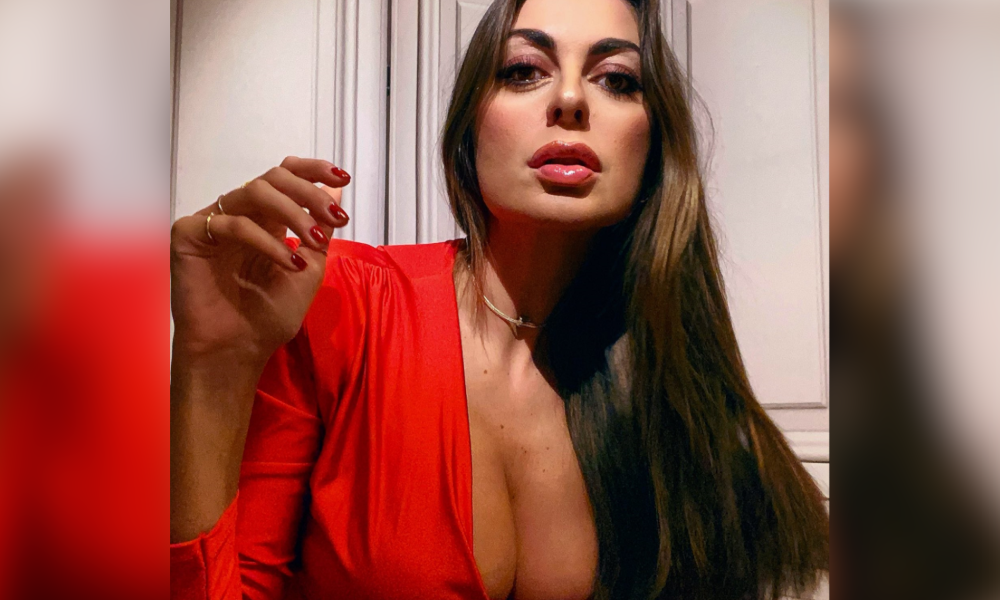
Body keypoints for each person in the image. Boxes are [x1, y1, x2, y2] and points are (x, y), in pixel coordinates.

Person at [169, 0, 828, 598]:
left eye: (616, 79)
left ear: (654, 143)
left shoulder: (672, 380)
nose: (570, 99)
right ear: (469, 127)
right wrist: (210, 362)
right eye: (523, 71)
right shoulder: (342, 302)